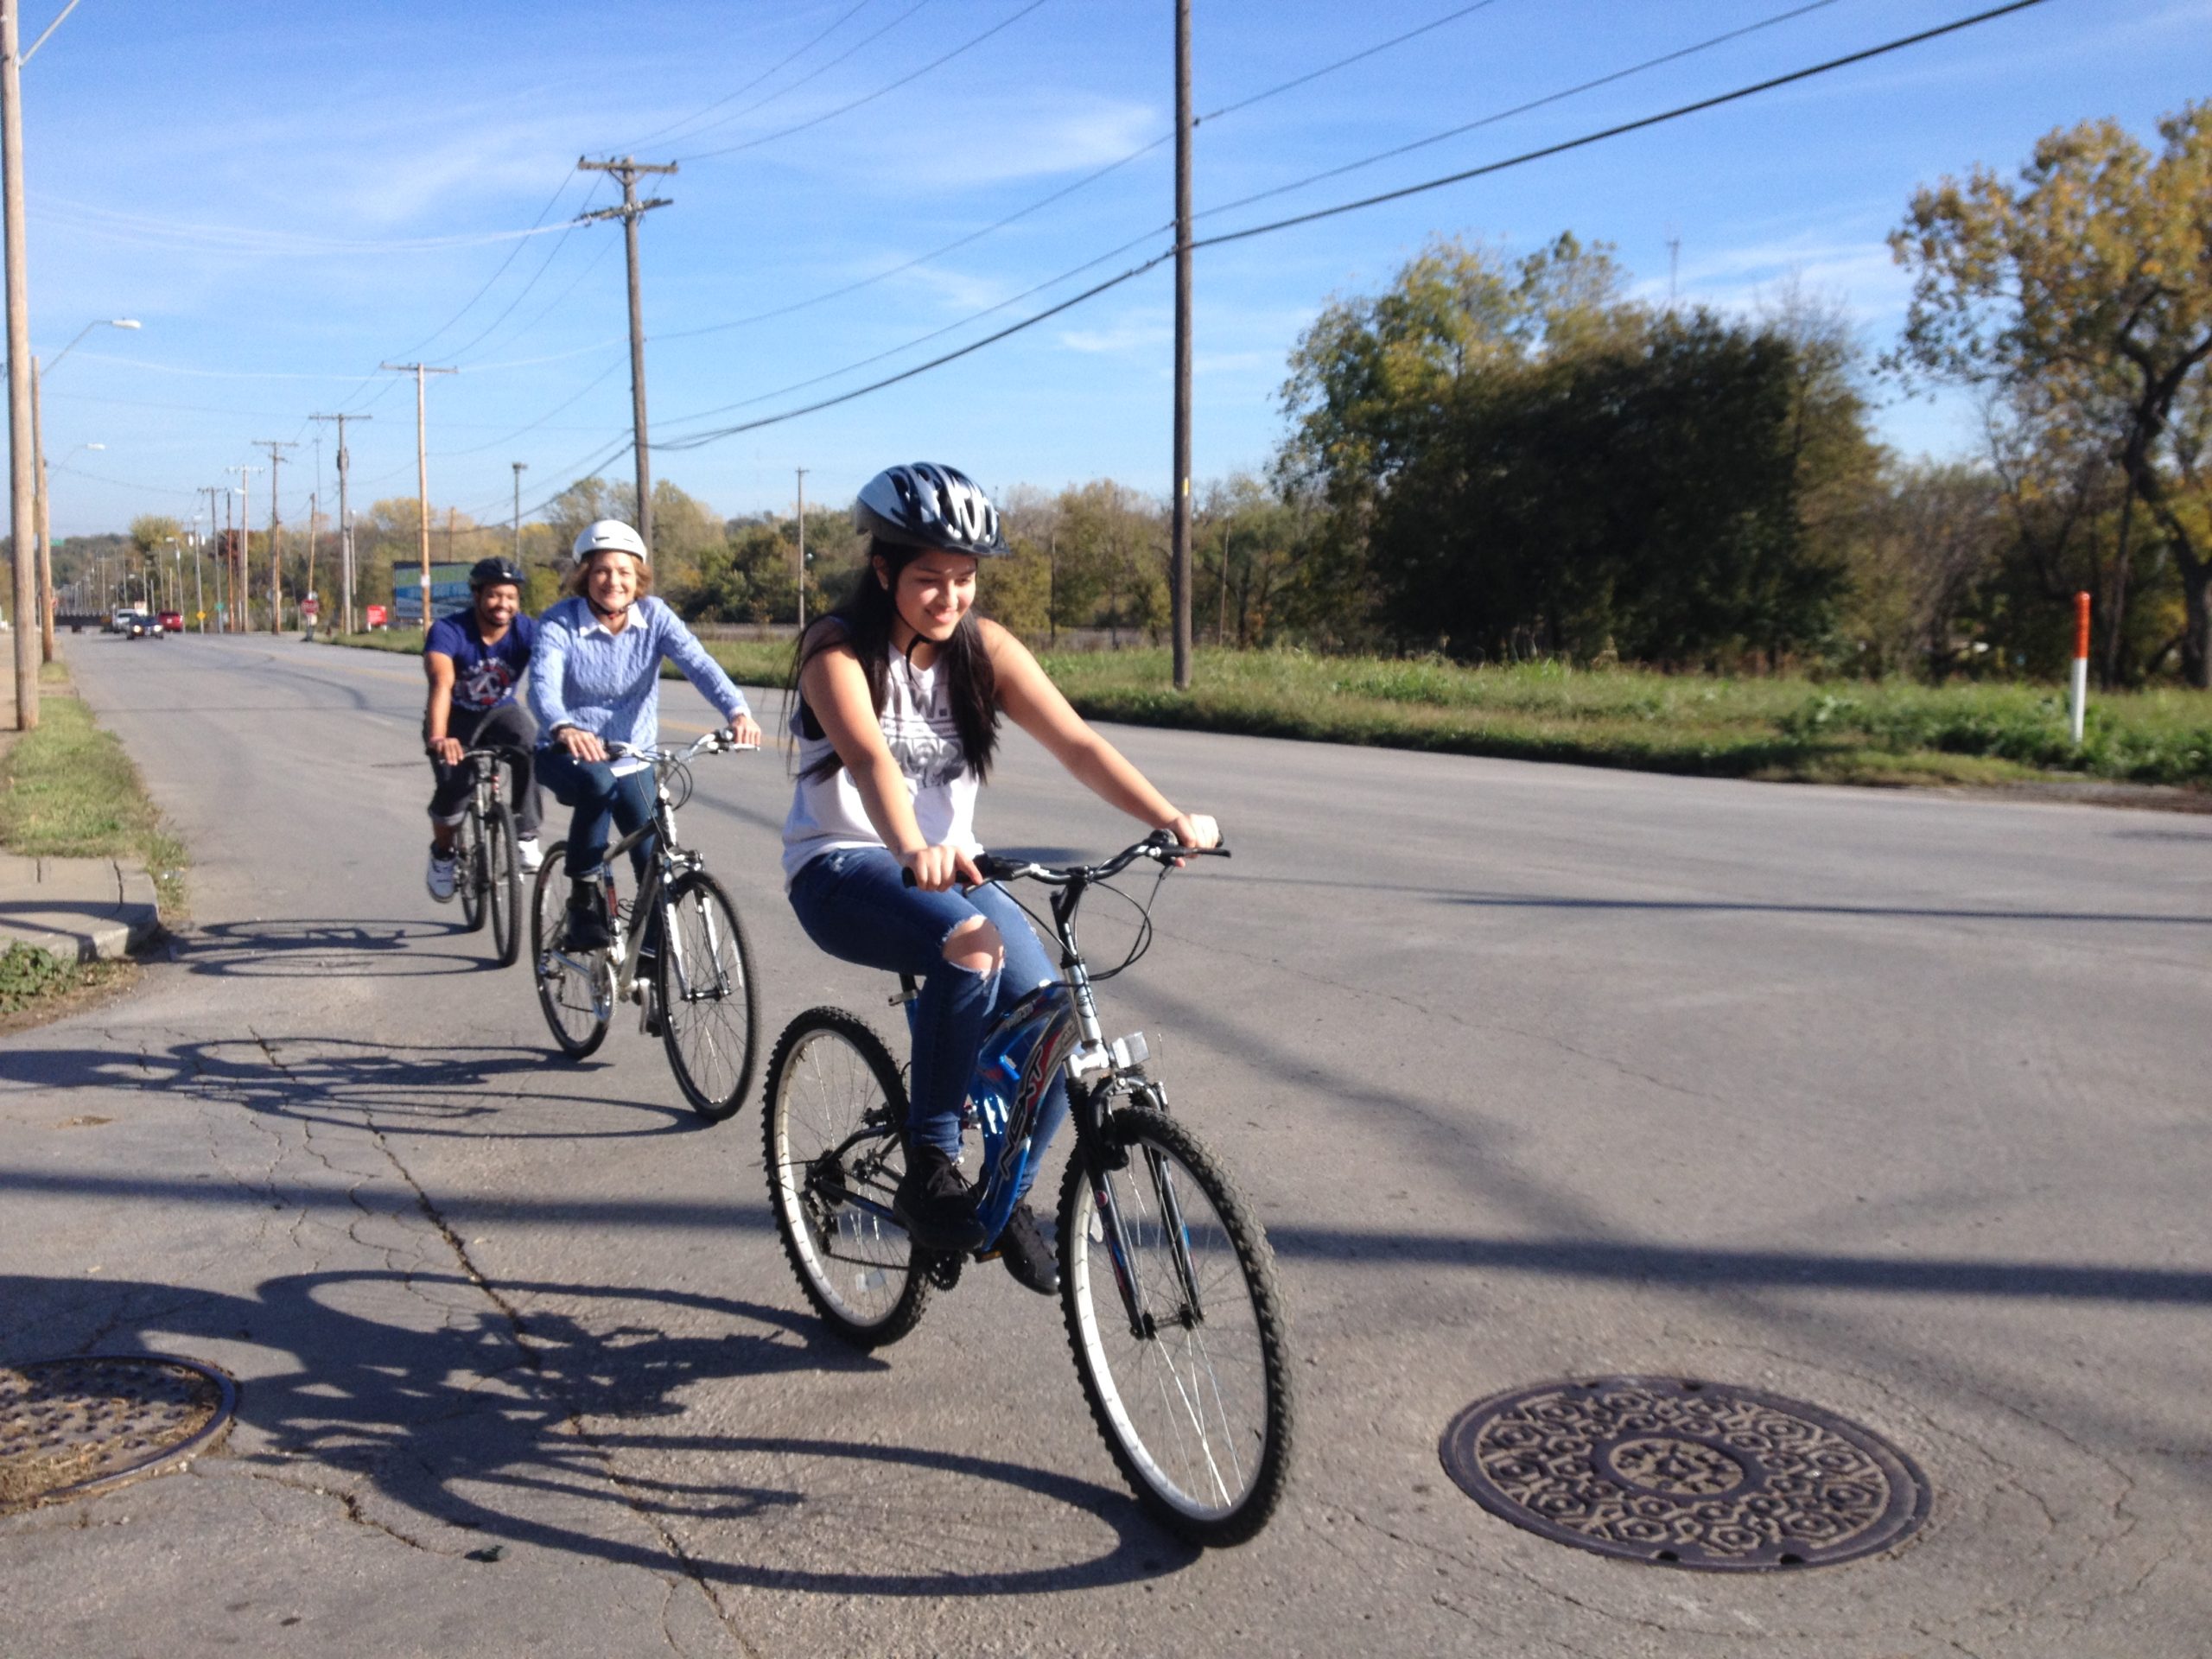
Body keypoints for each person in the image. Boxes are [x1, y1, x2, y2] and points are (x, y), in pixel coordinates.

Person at [783, 462, 1219, 1297]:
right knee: (972, 942)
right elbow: (869, 758)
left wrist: (1167, 816)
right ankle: (931, 1162)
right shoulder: (835, 649)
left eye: (965, 578)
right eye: (929, 579)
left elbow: (1078, 744)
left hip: (950, 869)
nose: (950, 597)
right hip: (841, 866)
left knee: (1054, 1018)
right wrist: (913, 845)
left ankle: (1002, 1195)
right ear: (883, 570)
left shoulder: (983, 650)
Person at [529, 519, 762, 951]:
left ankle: (653, 968)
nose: (613, 581)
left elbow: (698, 663)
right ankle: (582, 903)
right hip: (565, 752)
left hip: (633, 757)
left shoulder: (655, 616)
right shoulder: (560, 621)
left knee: (655, 866)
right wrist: (564, 726)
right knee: (597, 783)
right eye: (601, 570)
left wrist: (737, 711)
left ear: (639, 577)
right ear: (584, 576)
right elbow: (543, 683)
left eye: (624, 571)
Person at [423, 555, 545, 901]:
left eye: (511, 597)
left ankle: (525, 835)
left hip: (500, 711)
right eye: (494, 595)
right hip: (455, 716)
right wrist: (439, 737)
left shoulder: (527, 630)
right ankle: (443, 855)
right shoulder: (449, 631)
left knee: (530, 743)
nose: (503, 604)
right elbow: (441, 683)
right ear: (476, 595)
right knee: (454, 790)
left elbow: (551, 672)